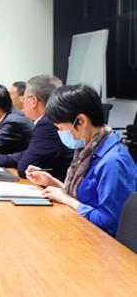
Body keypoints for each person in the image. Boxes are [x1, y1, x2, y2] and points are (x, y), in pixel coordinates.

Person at [27, 84, 137, 236]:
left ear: (81, 121)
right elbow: (85, 198)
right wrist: (52, 182)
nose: (60, 133)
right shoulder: (87, 150)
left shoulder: (113, 162)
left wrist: (67, 199)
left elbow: (110, 224)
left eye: (60, 128)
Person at [0, 75, 73, 180]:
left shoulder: (46, 124)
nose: (22, 102)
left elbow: (24, 167)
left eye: (24, 98)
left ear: (33, 101)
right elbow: (26, 154)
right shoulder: (48, 120)